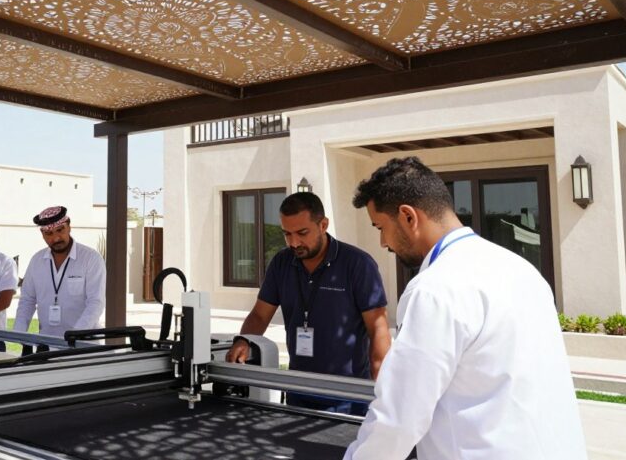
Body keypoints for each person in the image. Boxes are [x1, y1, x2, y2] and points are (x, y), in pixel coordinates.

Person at [344, 157, 587, 459]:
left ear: (408, 217)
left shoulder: (435, 289)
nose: (382, 242)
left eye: (380, 227)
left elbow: (399, 417)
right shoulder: (523, 270)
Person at [225, 191, 390, 414]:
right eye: (287, 234)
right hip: (298, 390)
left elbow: (377, 328)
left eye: (302, 233)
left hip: (350, 397)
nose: (294, 242)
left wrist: (380, 388)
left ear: (323, 225)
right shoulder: (281, 263)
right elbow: (260, 315)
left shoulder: (358, 264)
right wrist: (244, 340)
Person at [13, 206, 105, 335]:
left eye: (60, 230)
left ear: (69, 227)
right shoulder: (37, 261)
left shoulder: (90, 258)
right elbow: (27, 301)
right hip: (47, 342)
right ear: (42, 234)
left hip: (83, 344)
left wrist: (76, 335)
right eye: (49, 233)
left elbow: (96, 303)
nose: (56, 238)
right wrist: (18, 334)